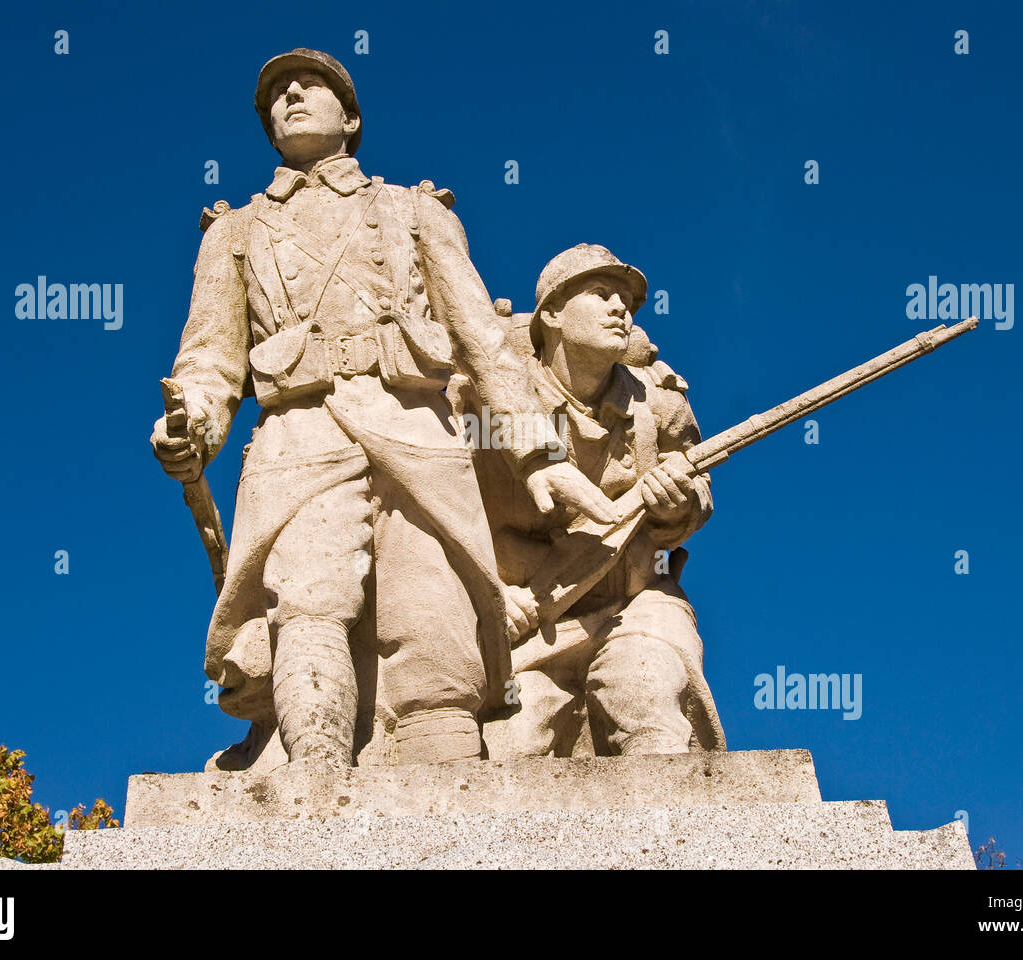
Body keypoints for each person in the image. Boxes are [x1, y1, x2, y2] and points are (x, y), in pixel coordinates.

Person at [150, 50, 615, 769]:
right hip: (297, 438)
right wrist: (194, 426)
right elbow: (209, 360)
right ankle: (314, 793)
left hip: (415, 429)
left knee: (432, 616)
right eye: (276, 94)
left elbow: (481, 340)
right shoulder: (232, 234)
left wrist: (538, 456)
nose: (290, 96)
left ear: (352, 117)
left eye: (310, 86)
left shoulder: (414, 210)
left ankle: (453, 801)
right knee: (307, 602)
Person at [476, 244, 726, 758]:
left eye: (627, 302)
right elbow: (439, 510)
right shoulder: (490, 400)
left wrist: (675, 506)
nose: (621, 309)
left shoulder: (658, 403)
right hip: (528, 615)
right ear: (552, 313)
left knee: (647, 699)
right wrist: (492, 594)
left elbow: (697, 490)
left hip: (634, 602)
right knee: (511, 747)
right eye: (600, 294)